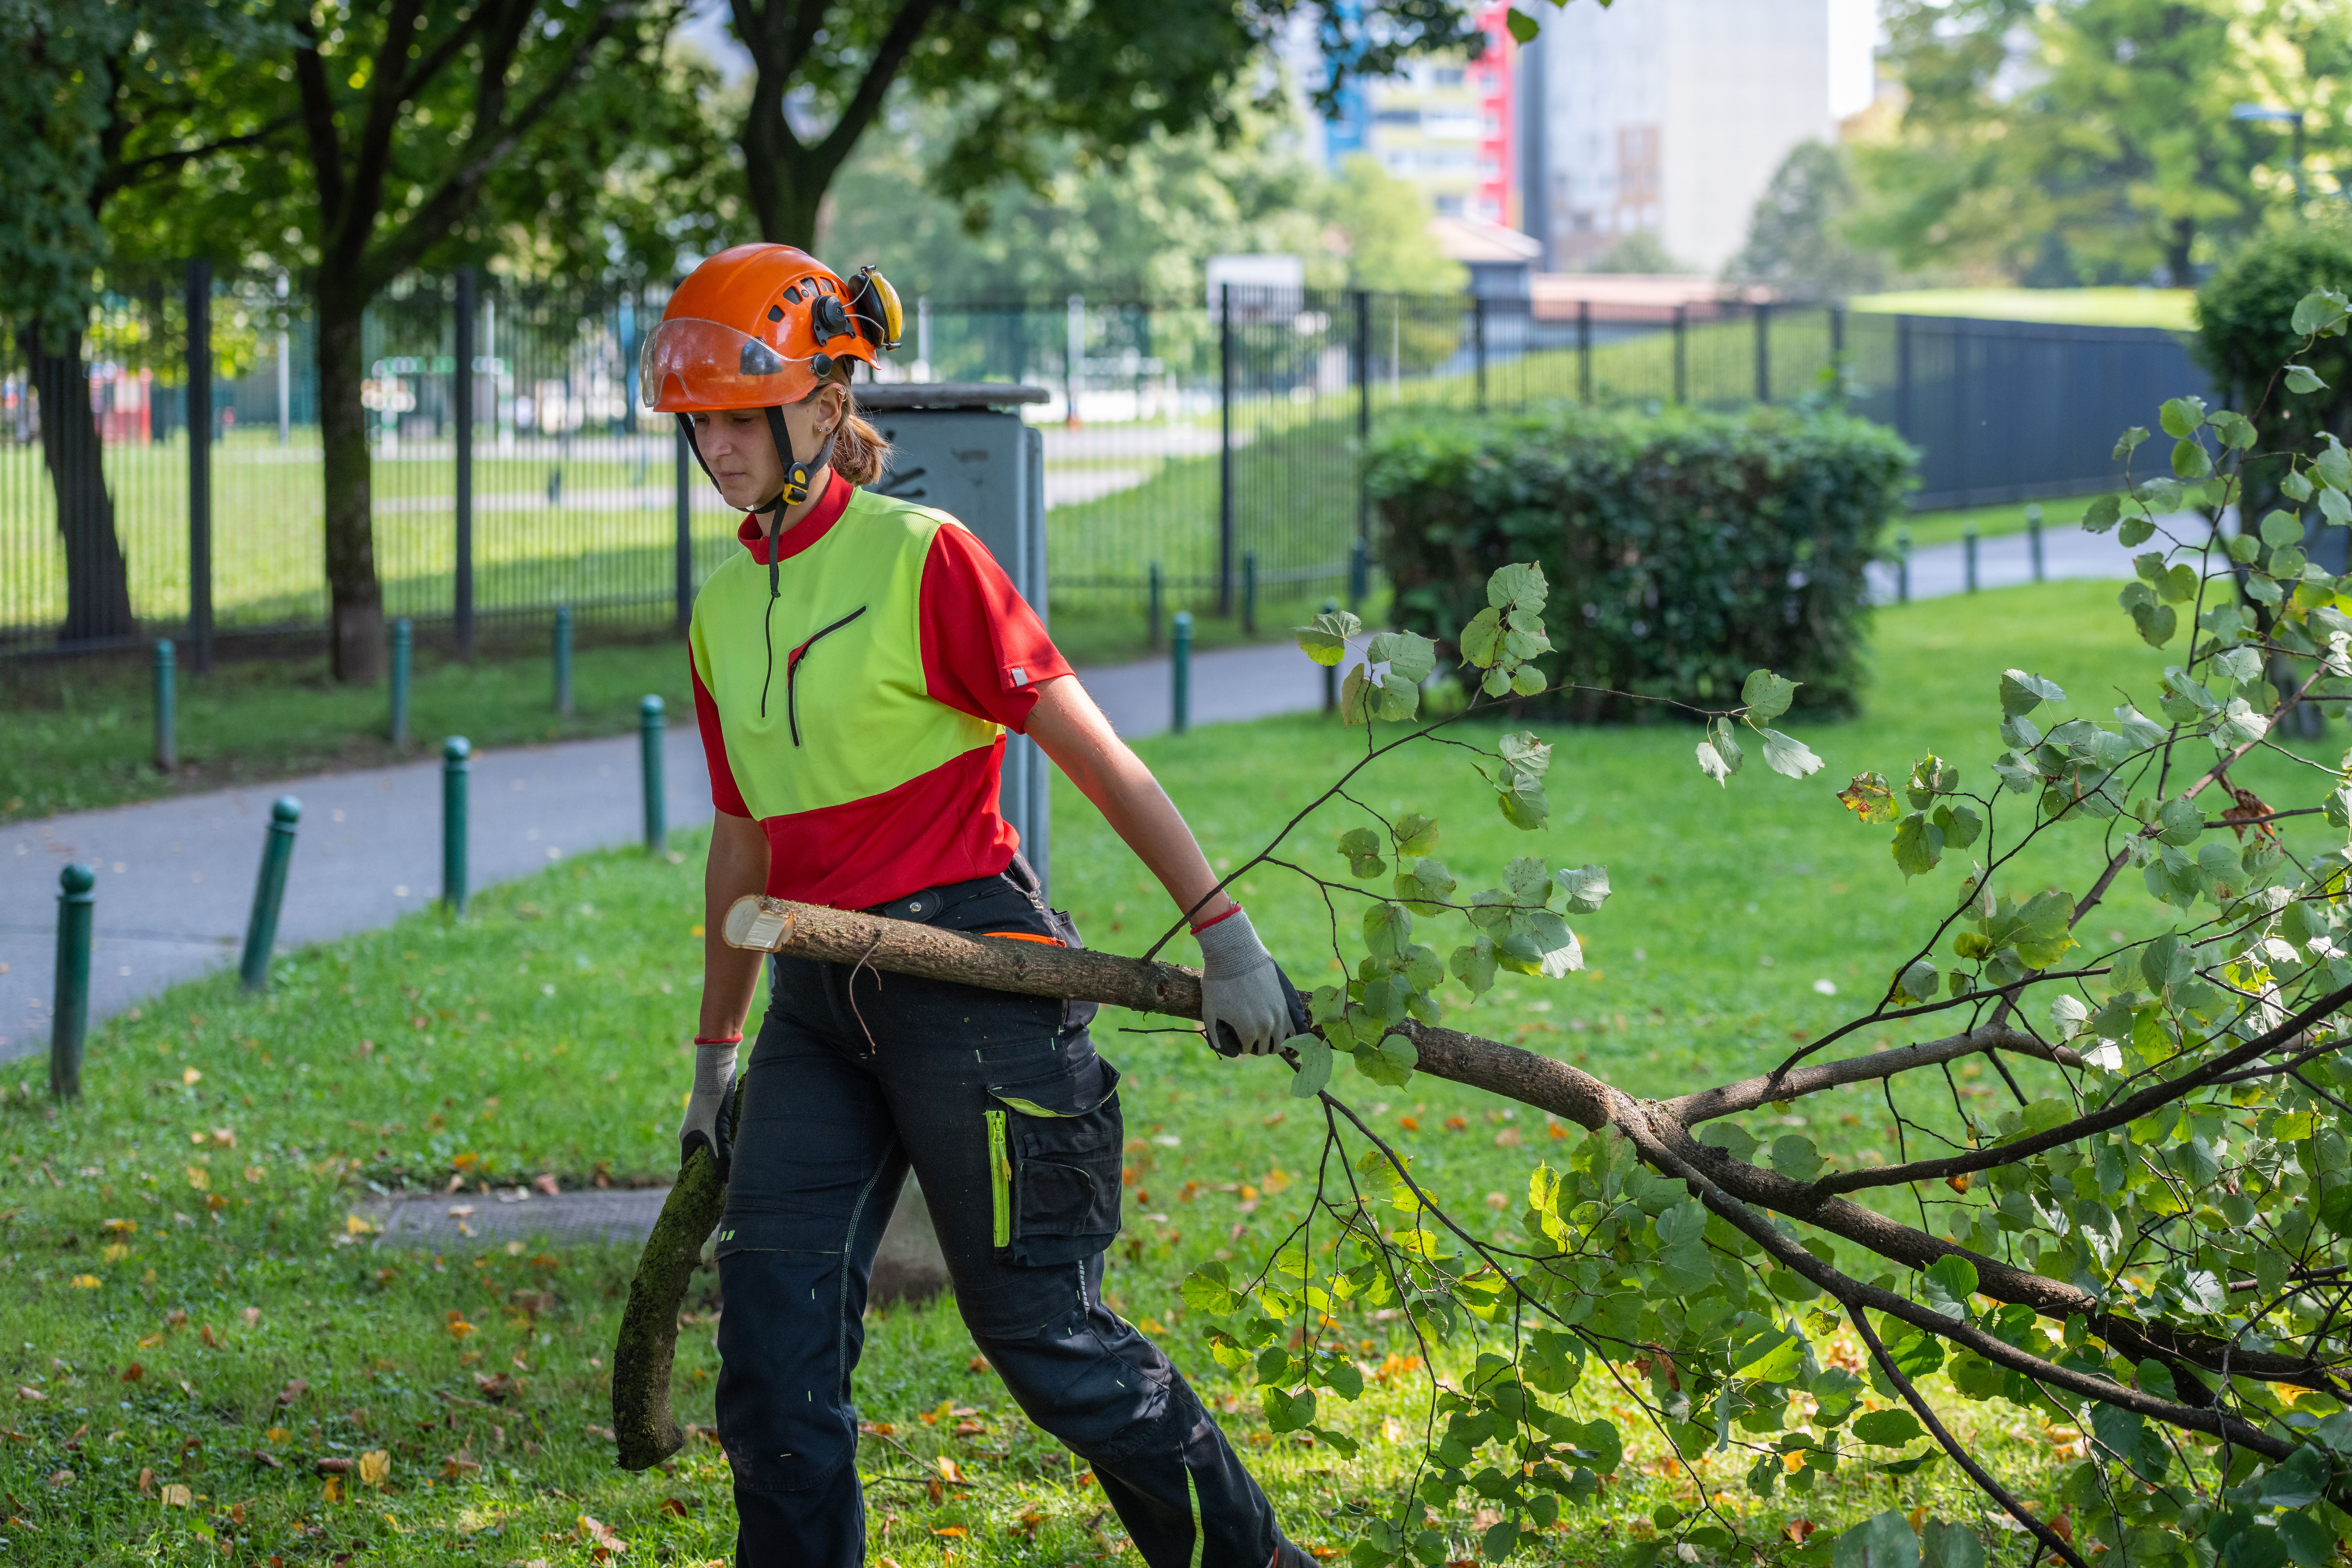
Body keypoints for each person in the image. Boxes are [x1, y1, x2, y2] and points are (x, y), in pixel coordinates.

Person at [640, 242, 1317, 1568]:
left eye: (740, 415)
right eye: (697, 423)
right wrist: (714, 1060)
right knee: (771, 1342)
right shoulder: (724, 606)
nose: (716, 446)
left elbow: (1098, 755)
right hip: (816, 1004)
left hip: (973, 981)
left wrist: (1229, 940)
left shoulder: (926, 559)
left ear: (826, 408)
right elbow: (741, 836)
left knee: (1050, 1342)